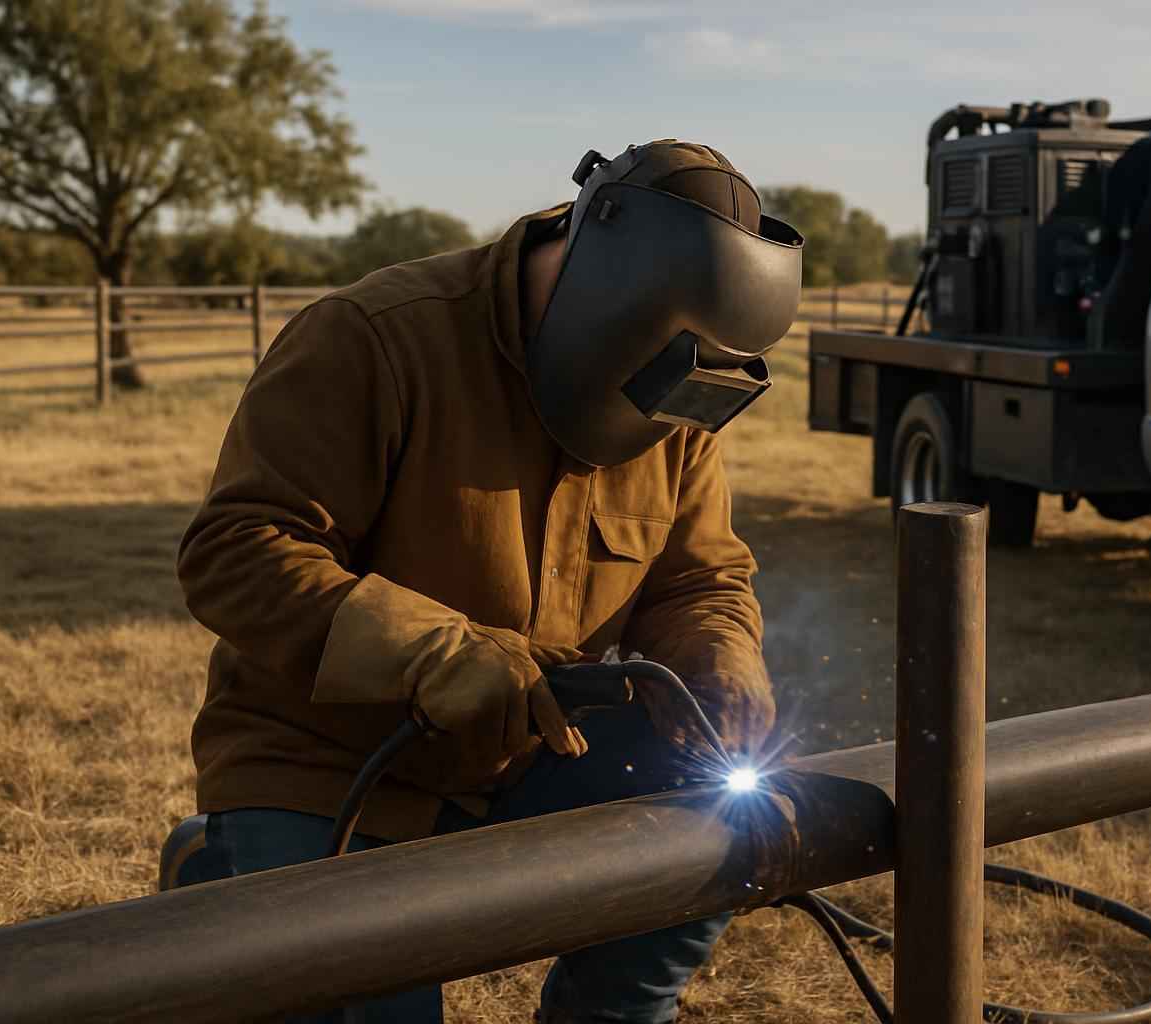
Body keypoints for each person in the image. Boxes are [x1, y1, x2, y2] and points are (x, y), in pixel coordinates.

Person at [174, 140, 804, 1023]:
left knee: (724, 832)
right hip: (333, 762)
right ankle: (234, 859)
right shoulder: (375, 339)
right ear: (605, 293)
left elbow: (700, 579)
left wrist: (722, 654)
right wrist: (436, 654)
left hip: (542, 753)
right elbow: (237, 549)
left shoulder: (680, 383)